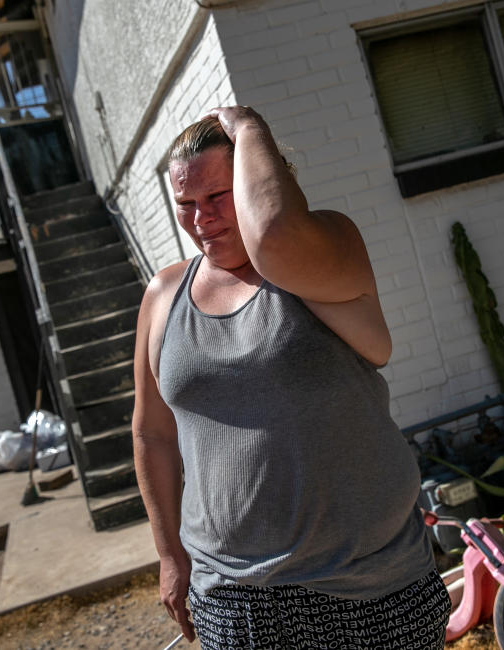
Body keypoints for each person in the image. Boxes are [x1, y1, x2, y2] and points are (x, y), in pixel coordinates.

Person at [132, 105, 450, 649]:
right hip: (234, 598)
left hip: (370, 589)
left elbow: (275, 234)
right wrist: (169, 556)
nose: (202, 220)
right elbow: (153, 433)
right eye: (186, 205)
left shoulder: (323, 250)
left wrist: (251, 127)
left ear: (258, 177)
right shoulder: (163, 296)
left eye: (217, 197)